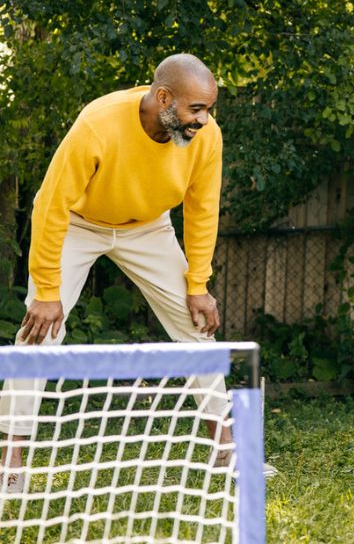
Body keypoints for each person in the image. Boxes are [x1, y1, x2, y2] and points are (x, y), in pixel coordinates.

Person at [0, 54, 257, 493]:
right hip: (79, 223)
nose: (204, 120)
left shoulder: (206, 138)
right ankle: (11, 464)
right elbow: (51, 205)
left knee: (196, 326)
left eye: (208, 109)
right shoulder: (99, 122)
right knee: (39, 331)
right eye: (196, 109)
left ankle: (227, 452)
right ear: (163, 98)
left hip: (148, 228)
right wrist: (46, 290)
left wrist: (198, 284)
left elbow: (202, 210)